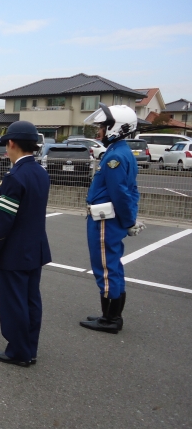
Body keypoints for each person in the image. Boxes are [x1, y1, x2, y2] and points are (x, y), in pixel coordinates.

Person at [0, 121, 51, 367]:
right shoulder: (41, 172)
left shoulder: (14, 177)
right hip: (36, 248)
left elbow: (4, 220)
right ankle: (30, 348)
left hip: (14, 251)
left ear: (12, 143)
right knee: (32, 299)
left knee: (14, 302)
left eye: (7, 144)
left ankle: (18, 351)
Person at [80, 104, 145, 334]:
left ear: (117, 127)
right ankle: (111, 315)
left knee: (106, 267)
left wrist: (128, 221)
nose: (99, 131)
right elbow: (131, 190)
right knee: (113, 266)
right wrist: (130, 219)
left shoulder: (115, 156)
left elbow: (120, 192)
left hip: (105, 221)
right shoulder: (122, 151)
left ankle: (110, 319)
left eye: (103, 126)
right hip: (110, 219)